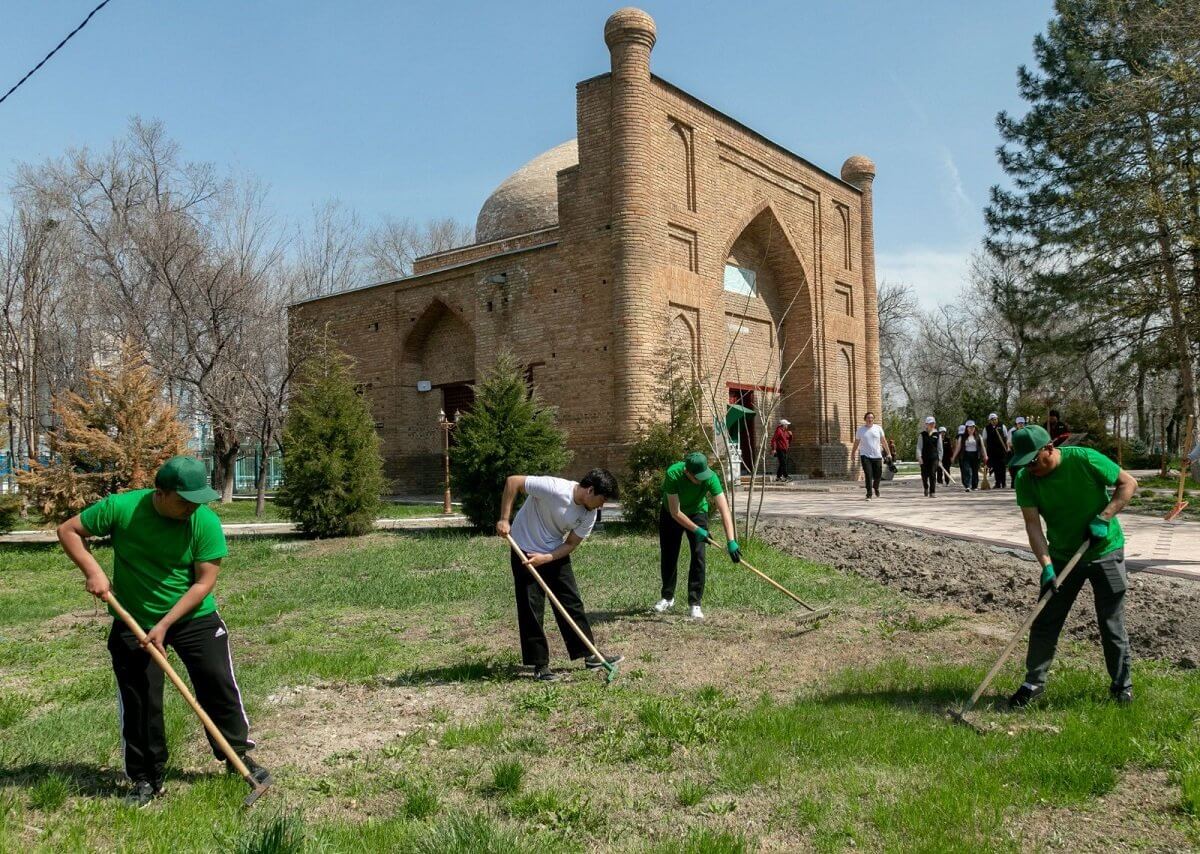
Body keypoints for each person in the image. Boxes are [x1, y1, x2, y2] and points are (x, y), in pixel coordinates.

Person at [55, 456, 269, 807]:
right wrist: (93, 571)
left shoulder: (204, 522)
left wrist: (166, 624)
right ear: (160, 493)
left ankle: (237, 756)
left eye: (198, 500)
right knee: (140, 696)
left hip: (192, 616)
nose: (192, 508)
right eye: (184, 500)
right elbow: (68, 530)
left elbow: (204, 583)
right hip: (134, 619)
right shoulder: (121, 508)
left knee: (217, 681)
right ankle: (146, 777)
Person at [1007, 425, 1138, 707]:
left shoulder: (1084, 458)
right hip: (1064, 557)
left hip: (1106, 551)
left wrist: (1104, 518)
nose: (1030, 468)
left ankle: (1122, 687)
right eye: (1024, 463)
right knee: (1045, 619)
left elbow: (1129, 483)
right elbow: (1033, 528)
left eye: (1033, 460)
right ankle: (1033, 683)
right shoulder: (1025, 479)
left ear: (1050, 448)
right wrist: (1047, 567)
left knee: (1111, 621)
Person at [496, 468, 622, 682]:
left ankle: (589, 654)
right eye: (602, 499)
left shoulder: (589, 514)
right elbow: (512, 481)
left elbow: (571, 543)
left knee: (571, 602)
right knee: (531, 607)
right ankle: (540, 664)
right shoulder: (554, 488)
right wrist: (504, 519)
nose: (602, 506)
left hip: (553, 552)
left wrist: (547, 558)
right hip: (524, 547)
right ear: (590, 490)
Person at [656, 452, 740, 620]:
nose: (702, 480)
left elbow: (724, 509)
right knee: (669, 554)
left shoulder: (710, 477)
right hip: (671, 514)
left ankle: (695, 603)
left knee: (698, 555)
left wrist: (731, 540)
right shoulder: (673, 474)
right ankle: (667, 597)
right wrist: (697, 530)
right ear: (687, 472)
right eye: (698, 477)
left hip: (697, 512)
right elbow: (675, 512)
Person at [850, 412, 890, 500]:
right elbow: (856, 443)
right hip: (865, 455)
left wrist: (889, 453)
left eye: (871, 418)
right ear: (865, 419)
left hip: (877, 455)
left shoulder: (878, 428)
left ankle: (876, 487)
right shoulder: (861, 430)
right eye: (868, 418)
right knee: (868, 474)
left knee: (878, 475)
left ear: (873, 419)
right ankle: (869, 494)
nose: (870, 419)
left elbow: (883, 441)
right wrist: (853, 453)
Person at [952, 420, 987, 491]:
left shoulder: (978, 436)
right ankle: (968, 485)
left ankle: (974, 486)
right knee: (967, 470)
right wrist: (953, 457)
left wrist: (985, 455)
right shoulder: (962, 437)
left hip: (975, 455)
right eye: (970, 427)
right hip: (966, 455)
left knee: (975, 471)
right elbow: (958, 447)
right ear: (966, 428)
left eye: (973, 427)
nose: (972, 429)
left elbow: (983, 447)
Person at [915, 417, 942, 497]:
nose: (932, 425)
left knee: (933, 474)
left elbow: (940, 448)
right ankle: (926, 487)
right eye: (930, 423)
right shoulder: (922, 435)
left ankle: (932, 492)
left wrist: (940, 459)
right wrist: (919, 457)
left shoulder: (937, 435)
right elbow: (919, 447)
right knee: (924, 475)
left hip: (934, 458)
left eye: (933, 423)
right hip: (924, 458)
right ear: (926, 424)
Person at [984, 412, 1012, 488]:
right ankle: (997, 483)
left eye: (995, 419)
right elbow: (985, 440)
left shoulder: (1002, 426)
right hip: (992, 451)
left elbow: (1006, 437)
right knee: (995, 467)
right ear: (989, 420)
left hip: (1001, 450)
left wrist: (1007, 448)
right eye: (992, 420)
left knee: (1002, 467)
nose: (994, 421)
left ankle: (1003, 483)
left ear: (997, 419)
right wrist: (986, 451)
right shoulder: (986, 428)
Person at [1008, 416, 1027, 487]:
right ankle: (1014, 483)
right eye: (1019, 423)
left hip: (1025, 453)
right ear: (1016, 424)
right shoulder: (1013, 432)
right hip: (1015, 452)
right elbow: (1009, 443)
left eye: (1022, 423)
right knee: (1013, 468)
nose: (1021, 424)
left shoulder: (1026, 432)